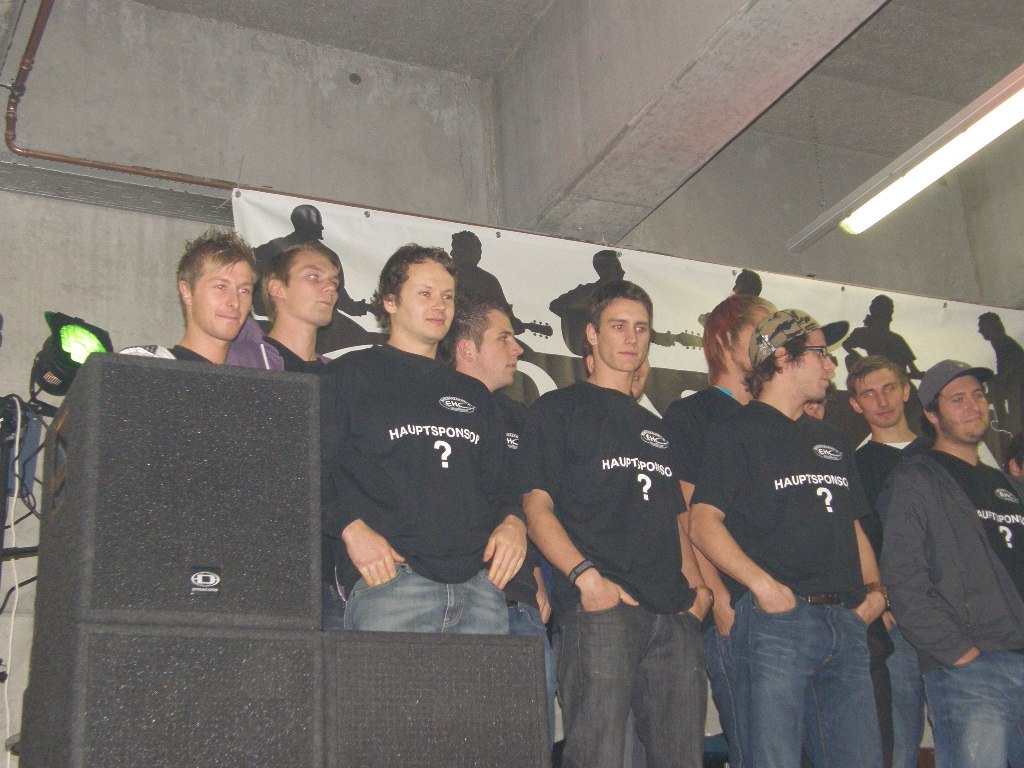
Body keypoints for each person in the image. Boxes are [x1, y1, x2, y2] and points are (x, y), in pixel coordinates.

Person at [522, 279, 707, 768]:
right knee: (599, 756)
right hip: (600, 611)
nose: (631, 338)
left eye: (641, 328)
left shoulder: (657, 429)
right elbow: (536, 508)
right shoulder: (557, 410)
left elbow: (674, 519)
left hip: (673, 616)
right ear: (591, 334)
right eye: (618, 326)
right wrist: (587, 580)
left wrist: (697, 594)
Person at [690, 308, 886, 768]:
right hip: (776, 625)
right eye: (821, 353)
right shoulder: (735, 431)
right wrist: (763, 587)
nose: (831, 365)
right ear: (782, 357)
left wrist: (876, 594)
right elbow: (702, 521)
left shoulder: (833, 439)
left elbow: (852, 524)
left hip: (847, 623)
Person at [319, 244, 526, 635]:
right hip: (390, 584)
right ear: (390, 301)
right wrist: (351, 530)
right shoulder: (348, 376)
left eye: (447, 296)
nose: (439, 306)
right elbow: (307, 471)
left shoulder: (474, 393)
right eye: (425, 293)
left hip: (479, 590)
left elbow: (502, 487)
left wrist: (513, 522)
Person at [881, 360, 1024, 768]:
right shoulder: (917, 479)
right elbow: (904, 579)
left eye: (977, 395)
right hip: (972, 670)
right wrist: (959, 653)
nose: (973, 405)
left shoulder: (1007, 485)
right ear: (931, 413)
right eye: (957, 399)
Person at [662, 293, 775, 768]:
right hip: (737, 606)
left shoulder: (776, 417)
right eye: (761, 333)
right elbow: (687, 514)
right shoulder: (692, 415)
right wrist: (718, 597)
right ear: (726, 340)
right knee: (757, 746)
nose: (772, 343)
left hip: (793, 603)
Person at [438, 291, 557, 740]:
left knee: (529, 739)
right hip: (456, 596)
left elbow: (525, 502)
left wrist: (537, 576)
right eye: (504, 338)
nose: (518, 349)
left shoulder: (517, 415)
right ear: (467, 349)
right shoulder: (431, 404)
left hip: (520, 600)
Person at [847, 356, 928, 768]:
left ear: (907, 390)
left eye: (889, 389)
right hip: (895, 621)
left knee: (975, 738)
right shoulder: (854, 467)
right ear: (855, 404)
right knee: (898, 742)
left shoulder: (943, 455)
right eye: (869, 394)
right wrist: (881, 598)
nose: (882, 401)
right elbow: (857, 541)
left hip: (963, 620)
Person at [121, 230, 255, 363]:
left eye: (244, 290)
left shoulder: (255, 374)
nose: (235, 302)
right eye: (221, 287)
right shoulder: (145, 364)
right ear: (187, 291)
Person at [227, 242, 340, 372]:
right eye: (313, 276)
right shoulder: (240, 361)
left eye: (334, 282)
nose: (331, 287)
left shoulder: (339, 374)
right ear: (277, 288)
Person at [978, 312, 1024, 439]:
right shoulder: (1000, 342)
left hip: (1017, 388)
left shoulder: (1004, 343)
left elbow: (1016, 367)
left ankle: (1004, 422)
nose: (980, 331)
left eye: (982, 327)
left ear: (992, 327)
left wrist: (998, 380)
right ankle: (1004, 422)